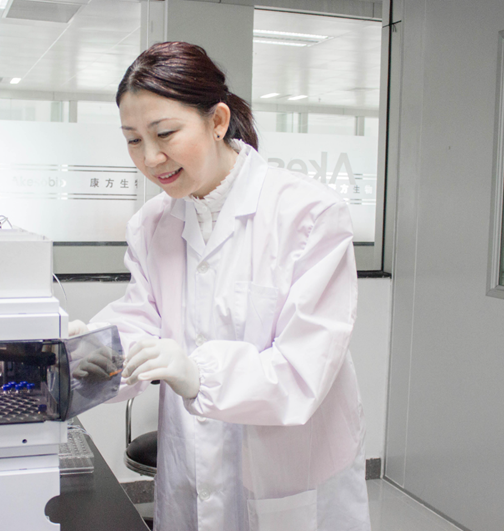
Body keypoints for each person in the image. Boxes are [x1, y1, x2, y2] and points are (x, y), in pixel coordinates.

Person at [69, 41, 371, 531]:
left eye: (165, 133)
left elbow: (303, 369)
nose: (150, 157)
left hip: (288, 475)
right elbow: (143, 316)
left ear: (217, 121)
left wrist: (200, 375)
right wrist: (100, 350)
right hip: (190, 468)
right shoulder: (152, 224)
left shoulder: (309, 213)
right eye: (132, 139)